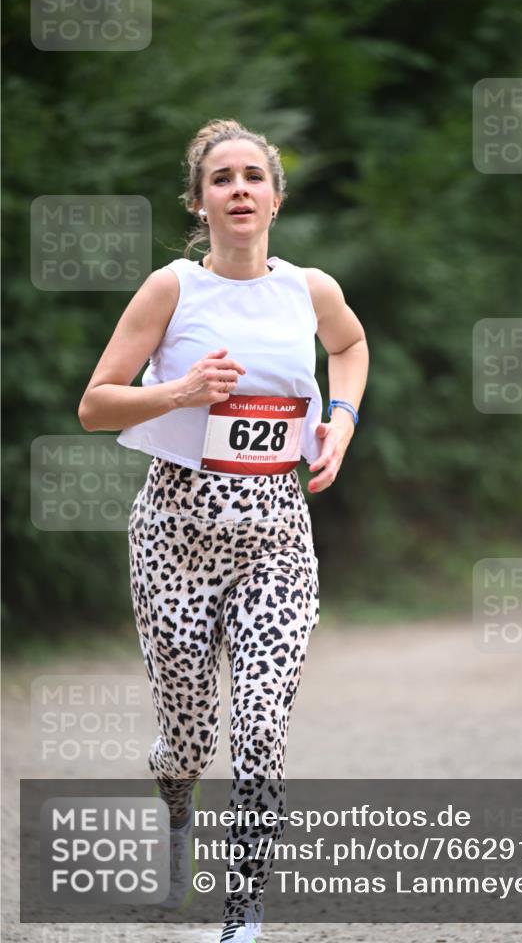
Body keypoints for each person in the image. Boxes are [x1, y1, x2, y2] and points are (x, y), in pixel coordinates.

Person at [77, 118, 369, 943]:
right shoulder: (170, 288)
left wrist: (340, 421)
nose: (238, 189)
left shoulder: (309, 289)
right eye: (221, 179)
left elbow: (350, 345)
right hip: (175, 537)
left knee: (260, 725)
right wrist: (179, 393)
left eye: (252, 176)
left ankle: (243, 912)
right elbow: (95, 405)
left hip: (276, 534)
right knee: (188, 738)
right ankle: (176, 807)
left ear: (275, 198)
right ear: (199, 203)